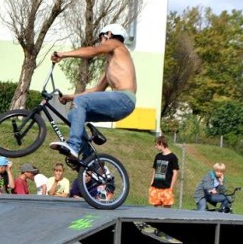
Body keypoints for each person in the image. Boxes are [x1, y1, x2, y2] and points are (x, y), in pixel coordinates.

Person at [49, 23, 137, 160]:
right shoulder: (111, 66)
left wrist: (63, 54)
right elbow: (96, 89)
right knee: (73, 115)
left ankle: (74, 145)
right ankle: (89, 157)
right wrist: (70, 97)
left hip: (123, 99)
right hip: (120, 106)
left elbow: (92, 51)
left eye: (101, 39)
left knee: (81, 102)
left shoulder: (116, 43)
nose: (101, 43)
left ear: (108, 34)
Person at [148, 136, 180, 208]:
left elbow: (175, 173)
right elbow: (155, 170)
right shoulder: (158, 156)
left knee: (167, 210)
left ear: (161, 143)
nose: (155, 146)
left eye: (156, 144)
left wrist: (171, 188)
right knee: (156, 209)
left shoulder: (172, 157)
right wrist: (151, 183)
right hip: (156, 187)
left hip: (166, 187)